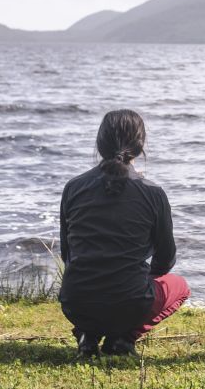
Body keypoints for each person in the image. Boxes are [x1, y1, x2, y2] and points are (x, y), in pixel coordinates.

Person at [58, 110, 190, 357]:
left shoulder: (73, 187)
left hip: (75, 302)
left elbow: (68, 253)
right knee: (180, 286)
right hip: (131, 303)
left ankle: (88, 334)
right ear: (140, 146)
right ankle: (123, 339)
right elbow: (166, 259)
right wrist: (135, 278)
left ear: (100, 144)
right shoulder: (153, 193)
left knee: (90, 287)